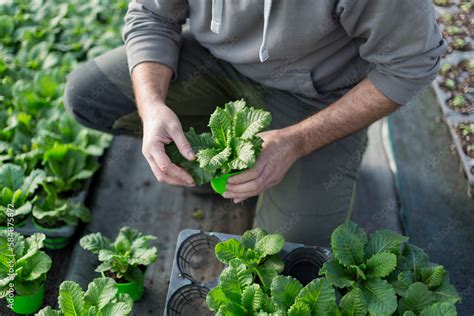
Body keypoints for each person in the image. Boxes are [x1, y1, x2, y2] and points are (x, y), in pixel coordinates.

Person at [64, 0, 445, 247]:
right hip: (215, 65)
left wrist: (296, 142)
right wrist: (152, 106)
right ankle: (220, 172)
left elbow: (411, 64)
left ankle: (319, 158)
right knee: (88, 96)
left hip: (314, 97)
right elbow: (151, 15)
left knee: (291, 253)